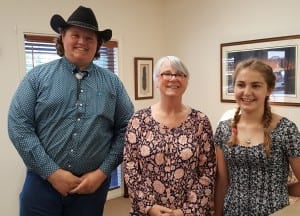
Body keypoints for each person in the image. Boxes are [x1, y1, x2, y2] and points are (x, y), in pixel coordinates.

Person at [8, 5, 134, 216]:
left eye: (89, 38)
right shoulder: (36, 78)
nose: (82, 42)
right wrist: (52, 173)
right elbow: (19, 126)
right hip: (41, 183)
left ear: (98, 45)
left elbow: (128, 130)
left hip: (91, 188)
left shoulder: (113, 84)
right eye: (75, 35)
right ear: (62, 38)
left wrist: (102, 173)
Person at [123, 56, 216, 216]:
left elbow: (208, 170)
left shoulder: (200, 121)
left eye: (180, 74)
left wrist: (185, 211)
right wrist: (149, 207)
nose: (173, 78)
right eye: (166, 73)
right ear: (156, 81)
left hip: (189, 211)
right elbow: (130, 166)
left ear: (186, 81)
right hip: (147, 211)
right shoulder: (138, 120)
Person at [214, 58, 300, 216]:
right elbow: (222, 182)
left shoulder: (286, 130)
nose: (247, 92)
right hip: (232, 212)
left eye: (256, 85)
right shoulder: (224, 129)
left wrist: (281, 189)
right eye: (241, 85)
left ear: (269, 89)